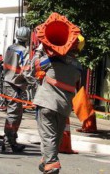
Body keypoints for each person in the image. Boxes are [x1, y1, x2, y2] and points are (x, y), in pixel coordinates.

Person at [31, 34, 85, 174]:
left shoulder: (51, 60)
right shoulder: (78, 66)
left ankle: (51, 164)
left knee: (48, 136)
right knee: (55, 137)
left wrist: (39, 50)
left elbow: (34, 66)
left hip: (46, 102)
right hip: (64, 106)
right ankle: (46, 160)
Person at [1, 26, 36, 153]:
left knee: (17, 113)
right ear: (27, 38)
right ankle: (8, 142)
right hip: (15, 84)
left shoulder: (10, 48)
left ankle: (12, 141)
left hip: (8, 82)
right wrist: (34, 82)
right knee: (13, 114)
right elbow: (26, 71)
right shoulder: (24, 51)